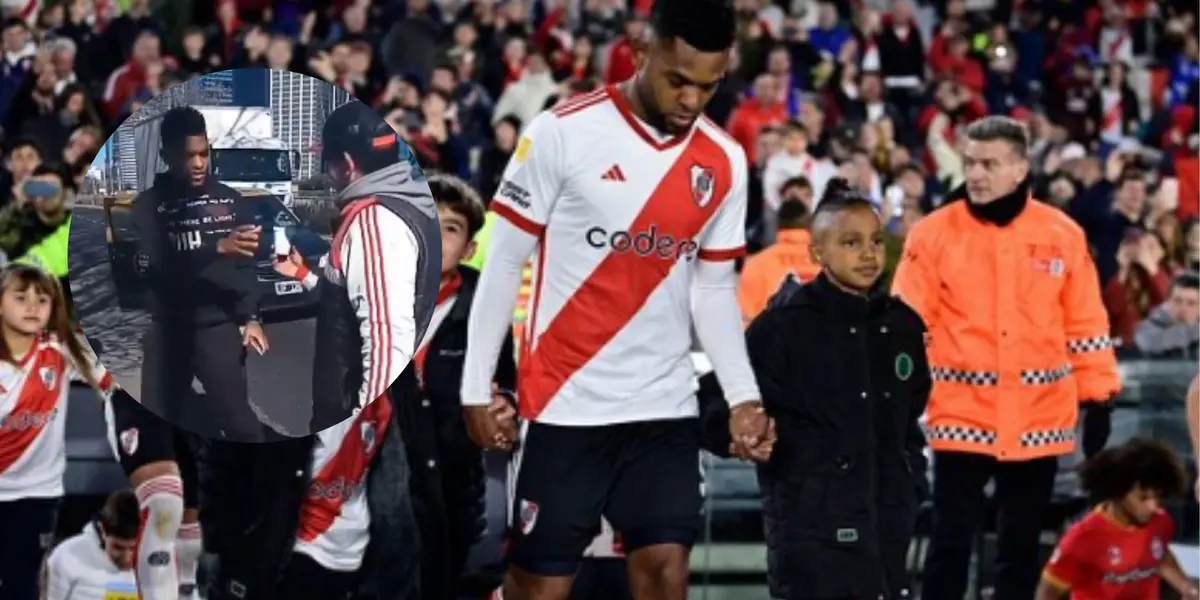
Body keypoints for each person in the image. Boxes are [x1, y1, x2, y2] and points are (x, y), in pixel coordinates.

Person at [460, 0, 771, 597]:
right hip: (565, 405)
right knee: (539, 587)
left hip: (665, 407)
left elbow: (711, 289)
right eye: (677, 80)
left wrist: (743, 396)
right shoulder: (562, 132)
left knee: (665, 575)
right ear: (639, 50)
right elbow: (504, 261)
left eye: (707, 86)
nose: (690, 100)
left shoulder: (725, 161)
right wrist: (476, 387)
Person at [201, 102, 441, 600]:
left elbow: (374, 324)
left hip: (343, 524)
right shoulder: (384, 221)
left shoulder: (368, 224)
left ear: (347, 168)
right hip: (303, 526)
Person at [891, 115, 1122, 600]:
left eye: (988, 164)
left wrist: (1099, 397)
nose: (975, 173)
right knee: (949, 545)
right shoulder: (932, 235)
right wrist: (900, 401)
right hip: (959, 416)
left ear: (1019, 169)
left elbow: (1085, 324)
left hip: (1039, 422)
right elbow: (906, 329)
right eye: (971, 162)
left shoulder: (1063, 233)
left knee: (1019, 550)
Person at [746, 178, 929, 600]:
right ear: (818, 252)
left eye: (876, 241)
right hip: (809, 531)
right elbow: (722, 402)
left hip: (887, 521)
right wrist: (744, 434)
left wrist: (910, 483)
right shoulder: (781, 327)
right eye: (851, 242)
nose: (869, 254)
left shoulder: (902, 326)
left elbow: (909, 418)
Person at [126, 105, 268, 441]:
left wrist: (251, 316)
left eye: (204, 153)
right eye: (188, 155)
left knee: (241, 425)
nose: (199, 163)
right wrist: (216, 248)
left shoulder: (231, 202)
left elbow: (246, 268)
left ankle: (254, 487)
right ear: (167, 155)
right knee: (157, 424)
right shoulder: (148, 207)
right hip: (168, 331)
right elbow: (150, 262)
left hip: (217, 328)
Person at [0, 264, 114, 600]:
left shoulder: (61, 351)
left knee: (22, 586)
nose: (33, 307)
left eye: (43, 299)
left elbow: (119, 379)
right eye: (21, 298)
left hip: (37, 496)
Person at [1036, 437, 1198, 600]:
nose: (1153, 506)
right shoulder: (1082, 537)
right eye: (1143, 498)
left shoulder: (1161, 521)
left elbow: (1158, 555)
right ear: (1117, 493)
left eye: (1158, 497)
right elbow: (1047, 594)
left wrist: (1186, 586)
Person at [737, 198, 820, 325]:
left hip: (773, 339)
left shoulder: (757, 264)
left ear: (777, 225)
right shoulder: (830, 262)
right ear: (810, 225)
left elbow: (746, 319)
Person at [43, 489, 139, 600]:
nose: (127, 559)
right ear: (102, 531)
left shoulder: (158, 561)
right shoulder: (65, 557)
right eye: (117, 547)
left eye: (134, 548)